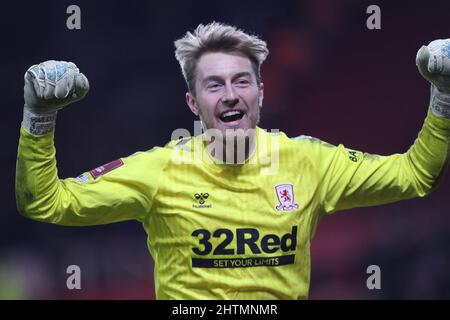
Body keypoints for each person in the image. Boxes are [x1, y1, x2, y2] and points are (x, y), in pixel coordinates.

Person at [15, 22, 450, 299]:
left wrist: (443, 97)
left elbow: (414, 175)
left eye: (241, 81)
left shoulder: (310, 162)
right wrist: (39, 118)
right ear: (193, 102)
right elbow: (46, 203)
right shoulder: (158, 170)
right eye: (213, 85)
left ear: (259, 94)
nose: (229, 94)